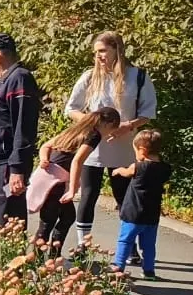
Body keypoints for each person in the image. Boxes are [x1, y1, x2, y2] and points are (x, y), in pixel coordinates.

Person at [65, 31, 157, 258]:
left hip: (124, 149)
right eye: (96, 52)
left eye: (103, 51)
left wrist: (128, 125)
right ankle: (83, 245)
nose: (98, 56)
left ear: (117, 49)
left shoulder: (138, 77)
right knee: (88, 195)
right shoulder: (89, 77)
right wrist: (92, 123)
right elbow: (71, 108)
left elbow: (147, 111)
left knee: (126, 199)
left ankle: (130, 247)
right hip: (94, 146)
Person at [31, 106, 121, 257]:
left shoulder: (76, 130)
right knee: (49, 220)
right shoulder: (94, 135)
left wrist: (44, 159)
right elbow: (77, 161)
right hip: (56, 181)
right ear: (107, 123)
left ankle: (54, 255)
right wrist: (72, 189)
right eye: (111, 130)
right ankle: (36, 261)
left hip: (48, 176)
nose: (108, 135)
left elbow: (46, 145)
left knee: (66, 217)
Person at [0, 32, 41, 228]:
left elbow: (24, 125)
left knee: (9, 221)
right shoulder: (2, 82)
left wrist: (17, 170)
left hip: (7, 167)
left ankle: (14, 258)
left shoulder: (19, 79)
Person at [112, 129, 170, 279]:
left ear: (142, 150)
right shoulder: (165, 169)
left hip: (133, 213)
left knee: (125, 240)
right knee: (149, 245)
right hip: (152, 215)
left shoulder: (138, 167)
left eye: (136, 151)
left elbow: (127, 172)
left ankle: (118, 267)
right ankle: (149, 271)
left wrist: (119, 170)